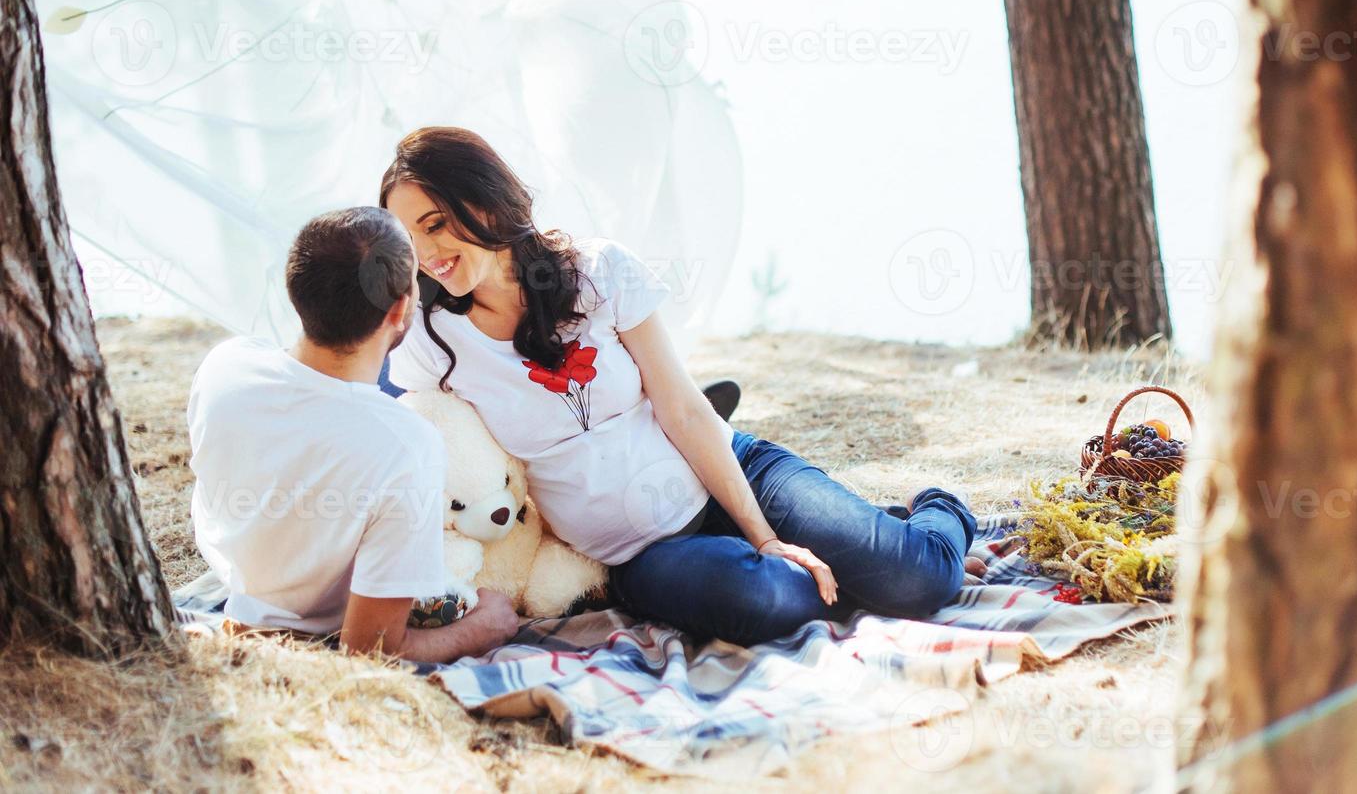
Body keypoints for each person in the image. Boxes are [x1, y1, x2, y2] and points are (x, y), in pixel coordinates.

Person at [380, 127, 980, 646]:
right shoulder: (432, 344)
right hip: (644, 555)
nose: (427, 253)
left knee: (920, 582)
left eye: (435, 224)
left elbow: (685, 408)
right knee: (766, 598)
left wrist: (765, 535)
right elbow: (395, 435)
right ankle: (852, 558)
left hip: (737, 473)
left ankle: (936, 510)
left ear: (483, 199)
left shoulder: (596, 271)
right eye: (411, 239)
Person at [186, 207, 519, 659]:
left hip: (238, 577)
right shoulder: (406, 445)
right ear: (401, 309)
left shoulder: (225, 365)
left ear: (294, 288)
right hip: (307, 633)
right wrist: (487, 626)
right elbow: (371, 650)